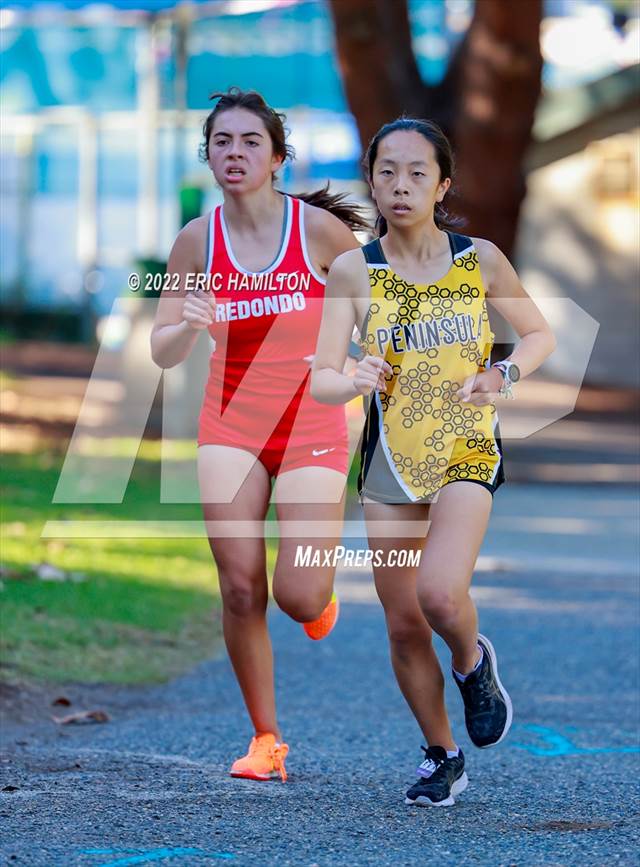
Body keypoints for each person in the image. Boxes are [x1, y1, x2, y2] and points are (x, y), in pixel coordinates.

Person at [311, 117, 556, 807]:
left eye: (418, 172)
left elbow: (537, 334)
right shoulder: (354, 270)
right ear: (372, 178)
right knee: (402, 621)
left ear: (442, 183)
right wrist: (353, 376)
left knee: (440, 595)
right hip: (390, 460)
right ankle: (442, 754)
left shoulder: (480, 259)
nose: (400, 184)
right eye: (387, 170)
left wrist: (502, 376)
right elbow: (323, 376)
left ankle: (474, 663)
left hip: (466, 447)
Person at [150, 88, 367, 783]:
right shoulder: (196, 240)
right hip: (230, 425)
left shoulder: (319, 234)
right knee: (241, 588)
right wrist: (188, 321)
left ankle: (320, 596)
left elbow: (375, 309)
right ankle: (266, 739)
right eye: (222, 141)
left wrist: (367, 362)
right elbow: (162, 348)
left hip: (310, 423)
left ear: (277, 157)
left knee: (296, 596)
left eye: (249, 141)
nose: (234, 152)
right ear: (208, 156)